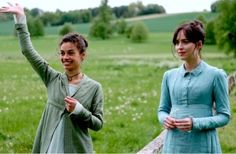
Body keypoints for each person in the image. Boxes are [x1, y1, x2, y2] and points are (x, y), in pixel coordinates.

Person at [0, 3, 104, 153]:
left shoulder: (94, 87)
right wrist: (20, 19)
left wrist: (80, 110)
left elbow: (98, 124)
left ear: (82, 55)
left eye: (70, 53)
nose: (65, 57)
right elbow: (28, 51)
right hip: (49, 147)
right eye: (62, 53)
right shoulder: (52, 78)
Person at [157, 20, 231, 153]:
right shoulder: (169, 76)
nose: (179, 46)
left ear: (199, 44)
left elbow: (224, 116)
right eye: (177, 42)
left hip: (203, 145)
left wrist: (195, 123)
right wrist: (164, 119)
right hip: (174, 145)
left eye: (185, 42)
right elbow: (162, 110)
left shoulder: (216, 75)